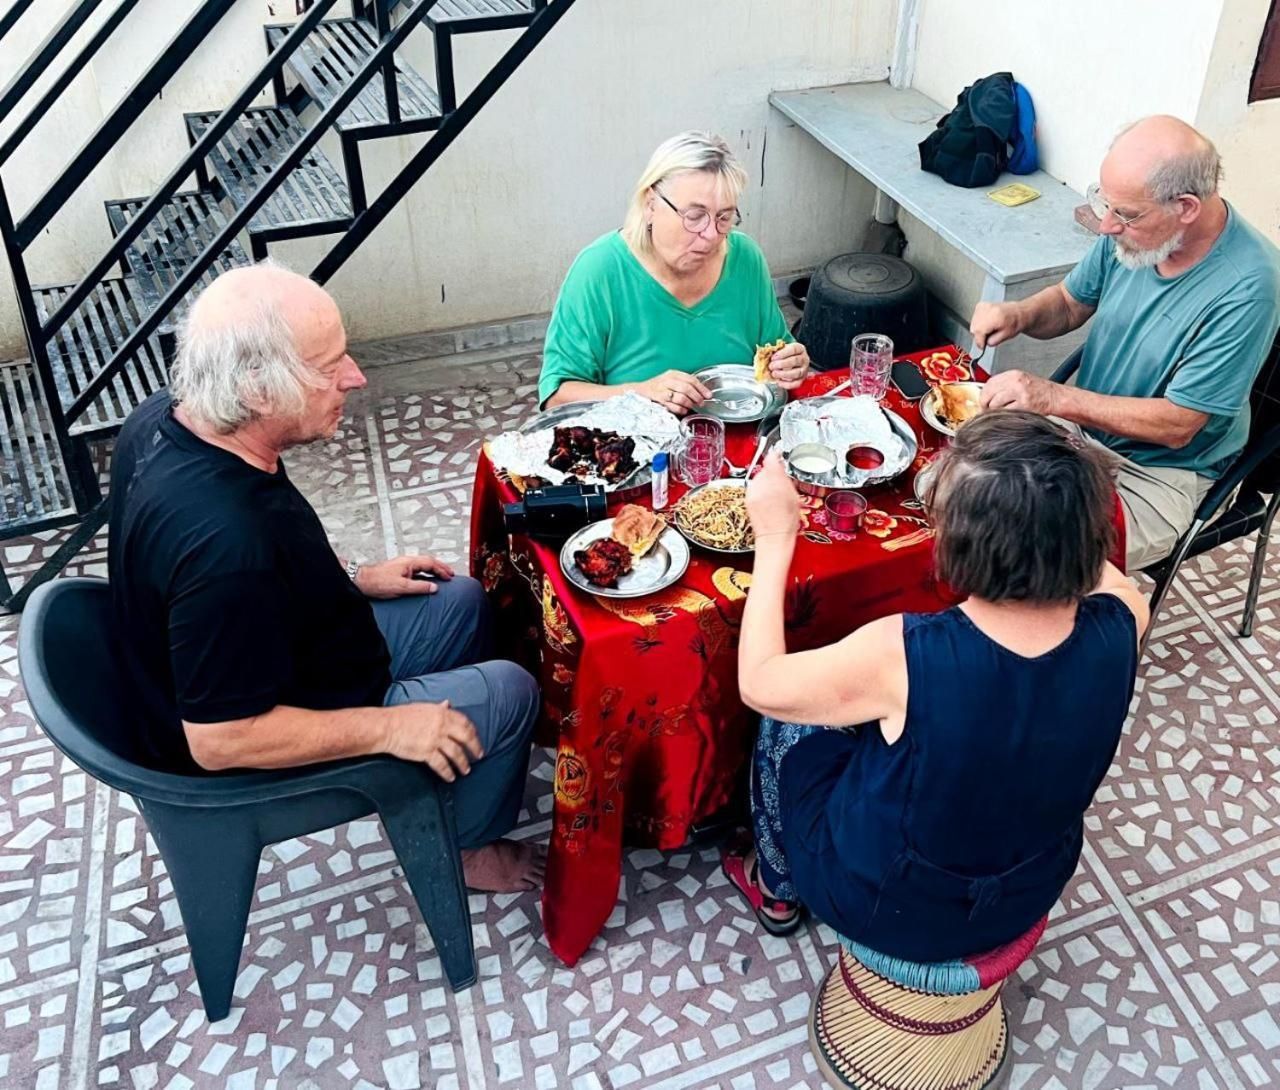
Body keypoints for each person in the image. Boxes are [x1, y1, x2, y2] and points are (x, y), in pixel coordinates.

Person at [108, 263, 543, 892]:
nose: (355, 376)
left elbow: (268, 552)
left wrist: (354, 576)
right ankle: (467, 848)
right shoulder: (226, 548)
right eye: (328, 366)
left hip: (288, 649)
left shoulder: (173, 420)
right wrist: (392, 728)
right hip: (257, 733)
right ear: (258, 390)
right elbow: (219, 741)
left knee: (464, 600)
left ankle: (448, 771)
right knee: (513, 690)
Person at [723, 413, 1148, 959]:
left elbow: (759, 682)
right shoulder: (1125, 617)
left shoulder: (900, 653)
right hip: (1032, 884)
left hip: (890, 906)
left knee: (786, 723)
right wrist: (1052, 516)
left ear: (955, 549)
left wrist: (775, 536)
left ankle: (775, 887)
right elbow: (1104, 575)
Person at [970, 116, 1280, 570]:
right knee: (957, 484)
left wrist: (1054, 397)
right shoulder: (1135, 232)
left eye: (1126, 214)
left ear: (1186, 207)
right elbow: (1069, 303)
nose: (1106, 226)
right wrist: (1019, 314)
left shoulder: (1249, 287)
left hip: (1160, 474)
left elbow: (1178, 425)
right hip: (1078, 434)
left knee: (1025, 551)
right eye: (1105, 204)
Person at [537, 131, 811, 412]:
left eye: (724, 217)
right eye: (695, 216)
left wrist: (790, 363)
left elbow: (776, 354)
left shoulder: (746, 259)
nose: (711, 235)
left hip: (740, 437)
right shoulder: (600, 270)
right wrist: (641, 392)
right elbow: (556, 399)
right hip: (636, 438)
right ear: (650, 204)